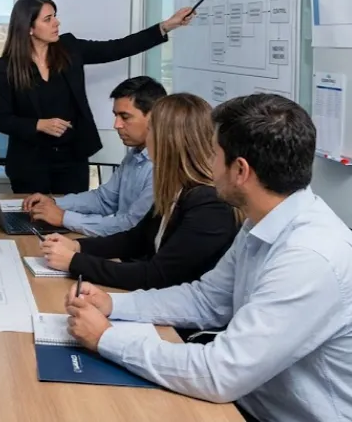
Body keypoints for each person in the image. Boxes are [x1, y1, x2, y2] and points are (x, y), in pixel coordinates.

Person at [65, 94, 352, 422]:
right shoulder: (261, 222)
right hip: (246, 404)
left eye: (215, 154)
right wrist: (113, 306)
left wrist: (106, 338)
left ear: (240, 170)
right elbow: (206, 300)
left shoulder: (309, 259)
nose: (209, 164)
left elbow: (220, 374)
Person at [0, 0, 195, 194]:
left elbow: (116, 48)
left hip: (72, 161)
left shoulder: (69, 48)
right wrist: (39, 124)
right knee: (30, 221)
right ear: (29, 28)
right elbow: (1, 119)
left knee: (70, 219)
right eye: (48, 19)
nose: (57, 22)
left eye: (55, 16)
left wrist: (167, 25)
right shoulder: (8, 67)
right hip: (29, 165)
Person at [39, 93, 239, 292]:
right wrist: (76, 247)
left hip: (173, 314)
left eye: (150, 129)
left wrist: (75, 262)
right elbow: (135, 239)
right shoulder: (177, 189)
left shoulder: (209, 205)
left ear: (168, 140)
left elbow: (155, 275)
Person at [23, 76, 166, 237]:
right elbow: (104, 200)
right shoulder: (135, 155)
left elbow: (130, 225)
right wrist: (55, 203)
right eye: (116, 116)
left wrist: (64, 218)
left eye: (125, 117)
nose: (116, 125)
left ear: (154, 117)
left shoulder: (163, 167)